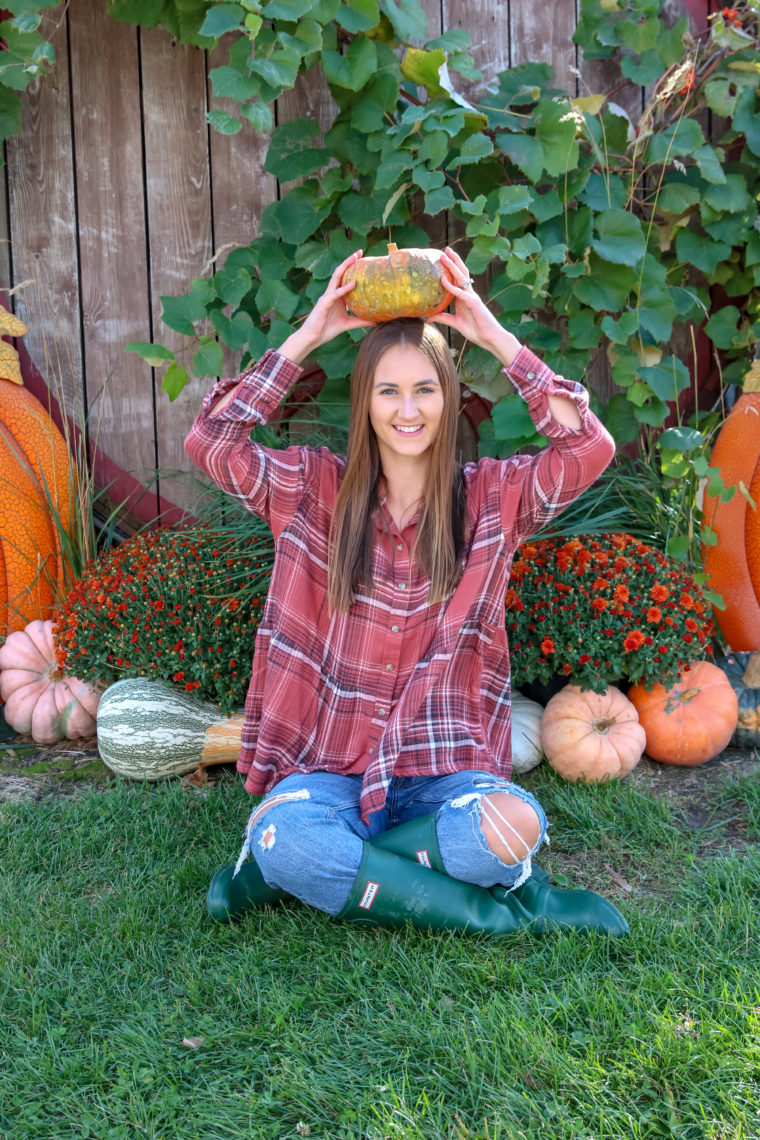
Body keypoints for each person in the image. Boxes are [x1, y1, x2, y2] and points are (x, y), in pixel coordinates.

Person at [185, 246, 626, 937]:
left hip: (440, 775)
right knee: (294, 830)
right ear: (364, 404)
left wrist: (488, 334)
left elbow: (587, 450)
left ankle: (280, 873)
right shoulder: (311, 492)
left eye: (425, 388)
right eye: (388, 391)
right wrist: (309, 334)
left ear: (448, 398)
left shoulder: (490, 501)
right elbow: (212, 439)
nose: (407, 409)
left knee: (516, 822)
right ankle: (487, 915)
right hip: (327, 772)